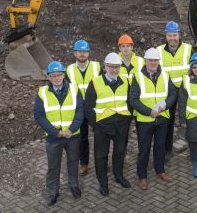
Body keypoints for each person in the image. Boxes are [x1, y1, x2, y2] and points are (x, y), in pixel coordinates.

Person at [33, 61, 83, 206]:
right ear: (48, 77)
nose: (56, 78)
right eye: (53, 76)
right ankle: (53, 192)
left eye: (59, 75)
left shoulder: (74, 89)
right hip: (54, 137)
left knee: (73, 162)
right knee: (53, 166)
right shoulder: (42, 92)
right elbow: (39, 115)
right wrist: (56, 132)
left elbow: (79, 111)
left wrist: (71, 130)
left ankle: (74, 185)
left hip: (73, 136)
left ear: (64, 75)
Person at [84, 53, 132, 196]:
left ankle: (119, 176)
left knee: (119, 153)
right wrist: (96, 125)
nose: (114, 70)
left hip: (120, 126)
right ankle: (103, 183)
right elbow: (88, 108)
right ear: (105, 67)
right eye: (111, 67)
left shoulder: (125, 82)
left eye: (116, 67)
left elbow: (130, 104)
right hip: (102, 127)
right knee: (101, 156)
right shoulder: (95, 83)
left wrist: (126, 121)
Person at [130, 48, 176, 190]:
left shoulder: (165, 75)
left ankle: (160, 170)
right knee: (144, 149)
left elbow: (173, 93)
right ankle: (142, 176)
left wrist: (165, 106)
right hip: (145, 120)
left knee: (160, 146)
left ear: (158, 61)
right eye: (150, 60)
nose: (153, 63)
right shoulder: (137, 77)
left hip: (162, 118)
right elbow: (133, 100)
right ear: (145, 61)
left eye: (155, 60)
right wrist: (149, 112)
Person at [156, 21, 193, 161]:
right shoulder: (158, 51)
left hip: (185, 90)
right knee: (168, 120)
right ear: (166, 36)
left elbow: (195, 68)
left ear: (179, 35)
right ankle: (167, 150)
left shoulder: (188, 49)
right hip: (168, 91)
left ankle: (193, 148)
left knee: (190, 118)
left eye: (175, 35)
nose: (172, 38)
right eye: (170, 35)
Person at [66, 39, 101, 176]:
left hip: (94, 108)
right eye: (79, 51)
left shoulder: (97, 67)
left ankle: (100, 162)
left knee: (100, 137)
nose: (82, 54)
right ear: (75, 53)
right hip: (79, 109)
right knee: (82, 138)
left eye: (84, 51)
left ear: (89, 53)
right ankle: (84, 164)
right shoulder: (68, 70)